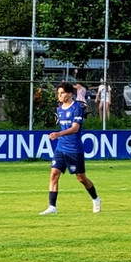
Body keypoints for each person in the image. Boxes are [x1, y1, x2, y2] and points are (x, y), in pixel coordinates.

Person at [40, 81, 100, 215]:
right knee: (54, 175)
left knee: (81, 178)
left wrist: (59, 134)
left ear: (69, 94)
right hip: (61, 148)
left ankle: (95, 198)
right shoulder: (60, 109)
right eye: (58, 93)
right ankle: (52, 207)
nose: (59, 96)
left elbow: (75, 128)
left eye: (61, 93)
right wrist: (59, 136)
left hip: (74, 149)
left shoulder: (76, 108)